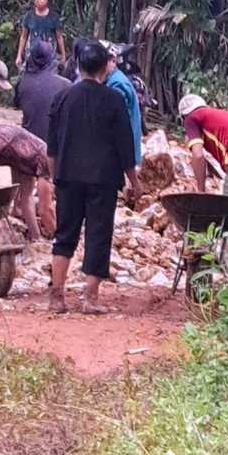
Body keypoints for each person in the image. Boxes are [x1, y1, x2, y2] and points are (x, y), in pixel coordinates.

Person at [46, 41, 141, 314]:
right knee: (98, 235)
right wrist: (134, 182)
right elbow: (126, 147)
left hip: (68, 176)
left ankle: (56, 297)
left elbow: (51, 148)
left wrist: (55, 178)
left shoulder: (62, 98)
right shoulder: (114, 100)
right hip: (103, 178)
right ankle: (90, 298)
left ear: (78, 65)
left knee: (65, 236)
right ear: (104, 67)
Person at [14, 40, 70, 144]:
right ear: (51, 59)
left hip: (29, 143)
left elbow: (18, 105)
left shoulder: (22, 84)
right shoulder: (65, 85)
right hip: (54, 145)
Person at [102, 43, 143, 167]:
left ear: (113, 61)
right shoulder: (113, 79)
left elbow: (116, 123)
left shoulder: (116, 84)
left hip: (122, 157)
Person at [16, 0, 65, 71]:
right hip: (32, 55)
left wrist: (63, 55)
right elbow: (24, 37)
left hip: (50, 56)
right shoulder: (29, 16)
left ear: (47, 0)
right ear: (34, 0)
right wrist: (19, 55)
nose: (42, 1)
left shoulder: (53, 17)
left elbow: (59, 37)